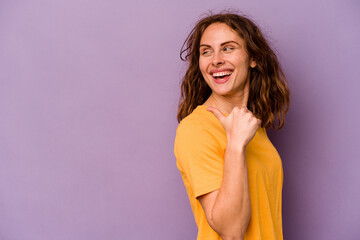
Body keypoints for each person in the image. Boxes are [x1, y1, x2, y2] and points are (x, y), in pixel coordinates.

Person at [174, 12, 290, 240]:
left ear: (253, 58)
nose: (216, 59)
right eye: (206, 51)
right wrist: (235, 145)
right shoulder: (196, 129)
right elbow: (231, 231)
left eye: (228, 48)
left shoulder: (250, 126)